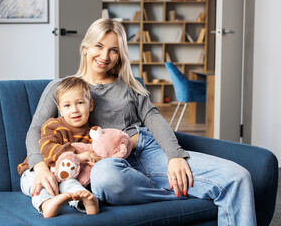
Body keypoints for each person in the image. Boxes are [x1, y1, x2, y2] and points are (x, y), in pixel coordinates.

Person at [22, 18, 256, 226]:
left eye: (113, 50)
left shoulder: (131, 85)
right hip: (111, 167)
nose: (105, 57)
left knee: (238, 177)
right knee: (104, 177)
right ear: (85, 48)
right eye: (99, 46)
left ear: (120, 54)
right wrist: (40, 167)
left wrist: (174, 155)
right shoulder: (62, 87)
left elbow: (153, 119)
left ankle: (175, 183)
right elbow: (36, 130)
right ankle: (177, 191)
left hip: (148, 153)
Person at [18, 76, 100, 218]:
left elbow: (94, 155)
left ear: (90, 105)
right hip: (36, 171)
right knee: (37, 185)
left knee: (72, 185)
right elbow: (47, 147)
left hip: (65, 176)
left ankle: (84, 203)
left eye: (80, 103)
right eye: (67, 105)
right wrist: (78, 157)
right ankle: (46, 203)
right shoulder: (53, 125)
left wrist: (94, 160)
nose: (74, 110)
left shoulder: (92, 133)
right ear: (60, 109)